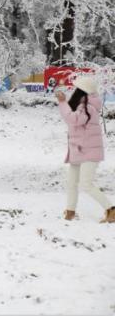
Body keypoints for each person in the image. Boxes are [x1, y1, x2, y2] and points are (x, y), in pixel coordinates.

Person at [56, 76, 115, 223]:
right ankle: (70, 212)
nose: (74, 91)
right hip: (79, 150)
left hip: (88, 151)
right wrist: (65, 103)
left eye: (76, 89)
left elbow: (73, 120)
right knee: (71, 182)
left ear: (82, 91)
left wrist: (63, 103)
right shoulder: (84, 106)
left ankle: (111, 210)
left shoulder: (87, 107)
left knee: (86, 184)